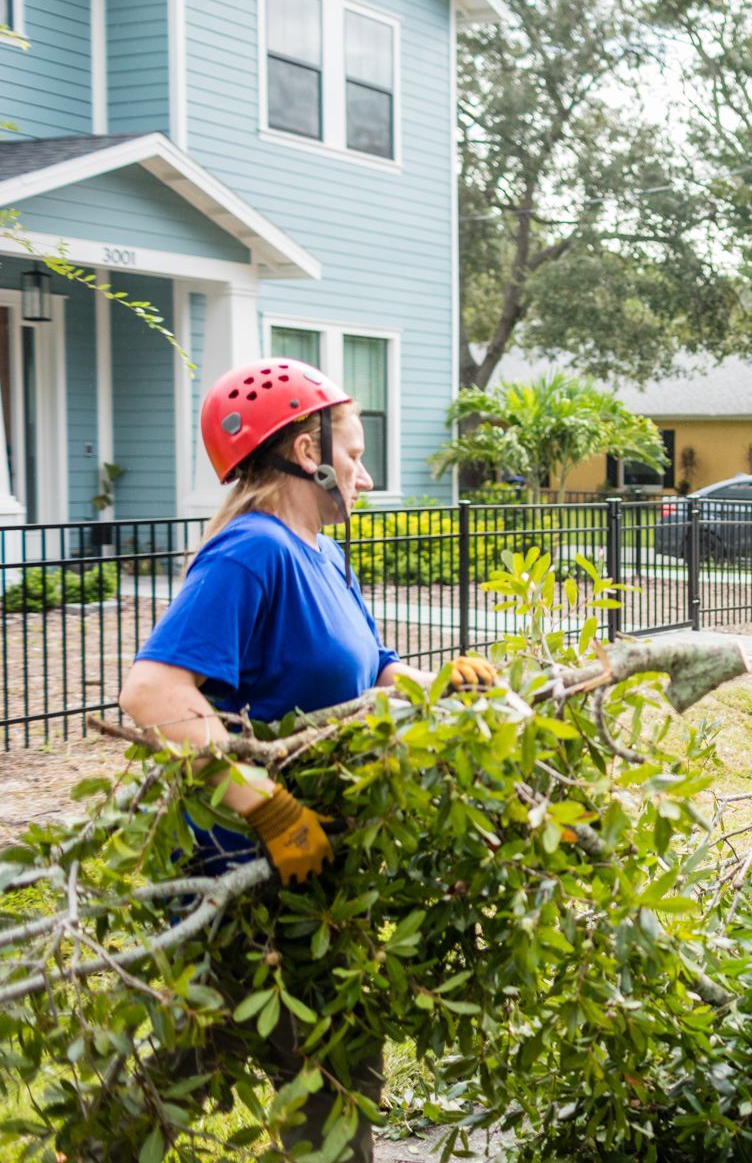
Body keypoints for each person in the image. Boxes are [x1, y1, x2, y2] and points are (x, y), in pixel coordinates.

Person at [117, 357, 497, 1161]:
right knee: (322, 1078)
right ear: (306, 452)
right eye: (354, 454)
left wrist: (435, 685)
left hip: (317, 872)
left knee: (227, 1066)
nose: (366, 474)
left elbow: (368, 669)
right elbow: (153, 693)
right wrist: (265, 806)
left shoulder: (321, 552)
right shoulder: (252, 551)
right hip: (244, 879)